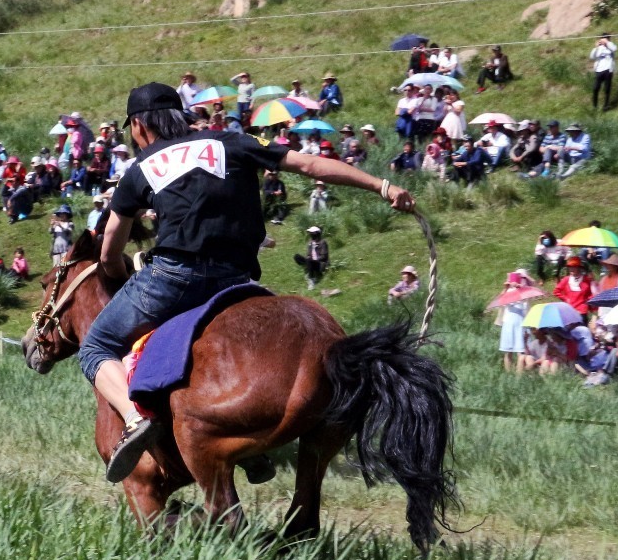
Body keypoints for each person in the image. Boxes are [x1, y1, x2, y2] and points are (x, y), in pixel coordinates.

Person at [80, 81, 416, 482]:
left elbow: (108, 252)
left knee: (96, 345)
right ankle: (247, 437)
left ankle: (136, 420)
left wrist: (120, 277)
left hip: (172, 277)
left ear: (137, 126)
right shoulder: (231, 143)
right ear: (181, 118)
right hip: (234, 279)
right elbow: (310, 166)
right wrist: (383, 185)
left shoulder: (139, 170)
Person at [496, 271, 529, 371]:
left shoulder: (523, 291)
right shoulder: (507, 292)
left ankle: (520, 374)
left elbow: (527, 299)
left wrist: (519, 287)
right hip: (508, 323)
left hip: (520, 322)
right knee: (507, 351)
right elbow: (500, 300)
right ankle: (508, 372)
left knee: (520, 351)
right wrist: (506, 288)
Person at [296, 226, 330, 290]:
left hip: (320, 264)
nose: (310, 235)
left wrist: (313, 259)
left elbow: (324, 257)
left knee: (309, 260)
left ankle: (311, 279)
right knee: (297, 256)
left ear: (316, 234)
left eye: (312, 233)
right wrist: (308, 258)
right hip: (311, 261)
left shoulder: (323, 242)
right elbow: (308, 254)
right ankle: (309, 267)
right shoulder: (310, 243)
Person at [589, 33, 617, 111]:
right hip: (599, 70)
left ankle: (606, 105)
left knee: (607, 88)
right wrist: (596, 47)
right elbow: (591, 56)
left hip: (608, 69)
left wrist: (607, 42)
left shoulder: (610, 46)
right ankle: (595, 106)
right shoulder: (599, 48)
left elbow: (615, 49)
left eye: (605, 38)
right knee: (595, 88)